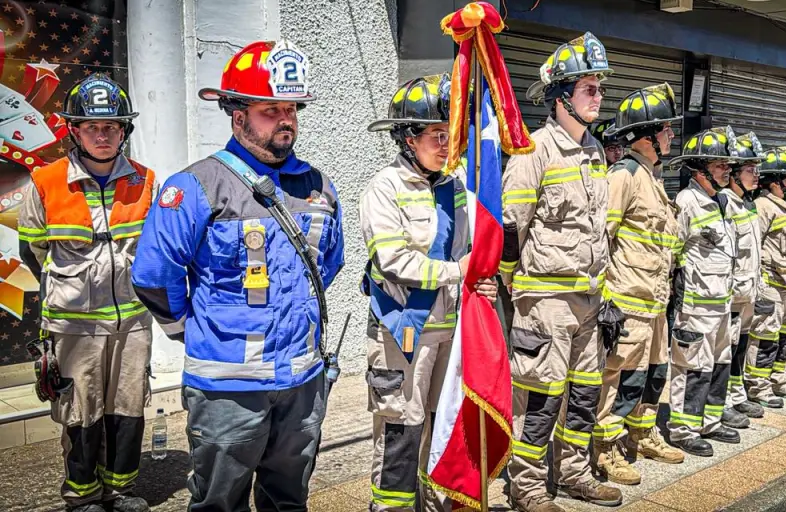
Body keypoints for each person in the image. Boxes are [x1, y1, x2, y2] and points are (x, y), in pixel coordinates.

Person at [131, 40, 345, 511]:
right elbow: (153, 276)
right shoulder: (196, 186)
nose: (286, 119)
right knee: (219, 504)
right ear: (238, 114)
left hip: (302, 382)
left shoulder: (319, 186)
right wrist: (195, 331)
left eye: (291, 108)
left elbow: (328, 264)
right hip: (228, 388)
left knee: (288, 499)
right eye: (271, 109)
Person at [18, 75, 155, 512]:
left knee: (128, 406)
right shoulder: (45, 181)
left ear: (124, 131)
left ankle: (120, 489)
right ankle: (82, 496)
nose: (102, 134)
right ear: (74, 130)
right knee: (80, 412)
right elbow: (34, 249)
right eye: (92, 126)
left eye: (112, 126)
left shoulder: (148, 181)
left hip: (133, 321)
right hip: (74, 324)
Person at [361, 74, 497, 511]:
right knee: (403, 430)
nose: (446, 144)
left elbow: (472, 246)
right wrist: (458, 271)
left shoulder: (456, 184)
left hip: (452, 334)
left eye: (450, 134)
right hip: (404, 334)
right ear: (407, 137)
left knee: (444, 428)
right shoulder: (386, 187)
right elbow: (392, 261)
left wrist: (481, 278)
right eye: (436, 135)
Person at [502, 32, 621, 511]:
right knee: (539, 402)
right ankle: (526, 488)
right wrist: (517, 288)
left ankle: (573, 473)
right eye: (589, 89)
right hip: (545, 303)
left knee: (585, 396)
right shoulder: (533, 152)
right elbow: (513, 230)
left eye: (600, 88)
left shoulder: (595, 153)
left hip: (589, 300)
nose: (598, 97)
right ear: (560, 97)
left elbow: (596, 230)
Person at [591, 83, 685, 487]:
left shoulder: (652, 178)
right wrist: (603, 301)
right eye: (665, 130)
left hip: (654, 304)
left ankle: (641, 434)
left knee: (652, 376)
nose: (671, 136)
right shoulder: (623, 176)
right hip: (626, 304)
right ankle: (605, 450)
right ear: (646, 136)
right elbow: (600, 240)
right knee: (616, 381)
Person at [666, 128, 739, 457]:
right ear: (700, 168)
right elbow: (671, 252)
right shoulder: (687, 201)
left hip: (720, 305)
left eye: (728, 164)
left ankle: (709, 421)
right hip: (694, 307)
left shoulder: (720, 201)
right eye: (720, 164)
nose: (727, 170)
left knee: (720, 363)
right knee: (692, 368)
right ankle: (683, 429)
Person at [745, 147, 786, 408]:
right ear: (775, 181)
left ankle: (777, 379)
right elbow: (753, 246)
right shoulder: (762, 207)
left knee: (784, 335)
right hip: (771, 285)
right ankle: (757, 387)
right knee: (765, 335)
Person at [721, 130, 767, 426]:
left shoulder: (748, 203)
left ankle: (737, 394)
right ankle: (722, 400)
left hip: (748, 291)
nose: (756, 175)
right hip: (731, 293)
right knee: (724, 349)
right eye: (750, 170)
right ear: (734, 174)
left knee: (740, 346)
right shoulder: (724, 202)